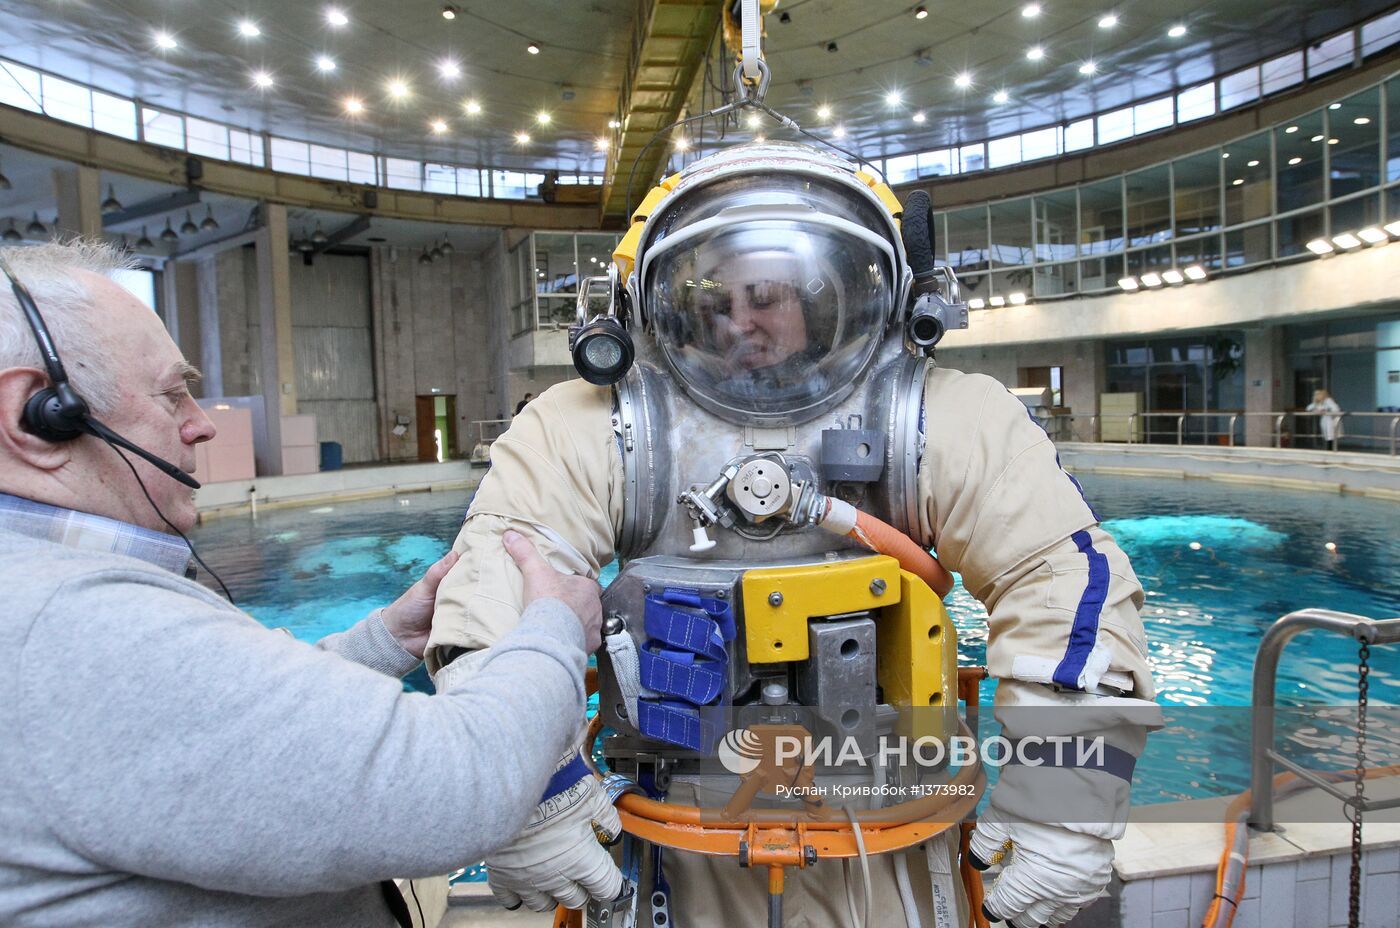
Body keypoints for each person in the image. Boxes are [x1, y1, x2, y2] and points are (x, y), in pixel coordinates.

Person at [428, 142, 1160, 928]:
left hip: (890, 826)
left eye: (768, 295)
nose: (742, 321)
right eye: (716, 298)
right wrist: (522, 791)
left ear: (828, 292)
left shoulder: (942, 415)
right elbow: (503, 573)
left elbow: (1058, 577)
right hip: (683, 833)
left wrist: (1063, 800)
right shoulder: (598, 423)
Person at [0, 241, 605, 927]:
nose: (200, 423)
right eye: (172, 394)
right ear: (38, 415)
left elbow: (217, 732)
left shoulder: (36, 591)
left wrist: (383, 637)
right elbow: (454, 788)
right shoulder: (72, 627)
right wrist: (555, 629)